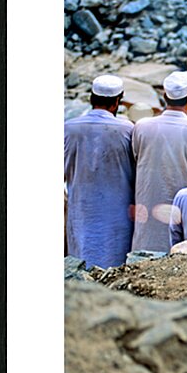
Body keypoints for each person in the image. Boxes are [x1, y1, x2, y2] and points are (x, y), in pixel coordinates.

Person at [131, 71, 187, 253]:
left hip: (147, 220)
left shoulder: (142, 127)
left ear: (164, 96)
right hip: (185, 218)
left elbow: (135, 160)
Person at [64, 74, 135, 268]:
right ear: (117, 102)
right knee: (114, 269)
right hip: (118, 216)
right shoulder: (127, 130)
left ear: (91, 99)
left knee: (80, 264)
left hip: (81, 211)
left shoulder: (69, 128)